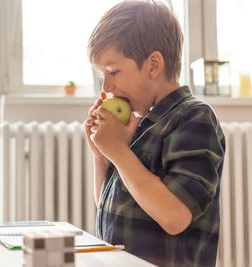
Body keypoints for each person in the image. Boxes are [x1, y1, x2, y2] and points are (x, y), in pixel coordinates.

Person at [84, 1, 226, 266]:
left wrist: (119, 151)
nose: (106, 86)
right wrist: (103, 156)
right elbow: (111, 207)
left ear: (153, 65)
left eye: (113, 72)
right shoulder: (142, 125)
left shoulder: (194, 118)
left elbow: (174, 217)